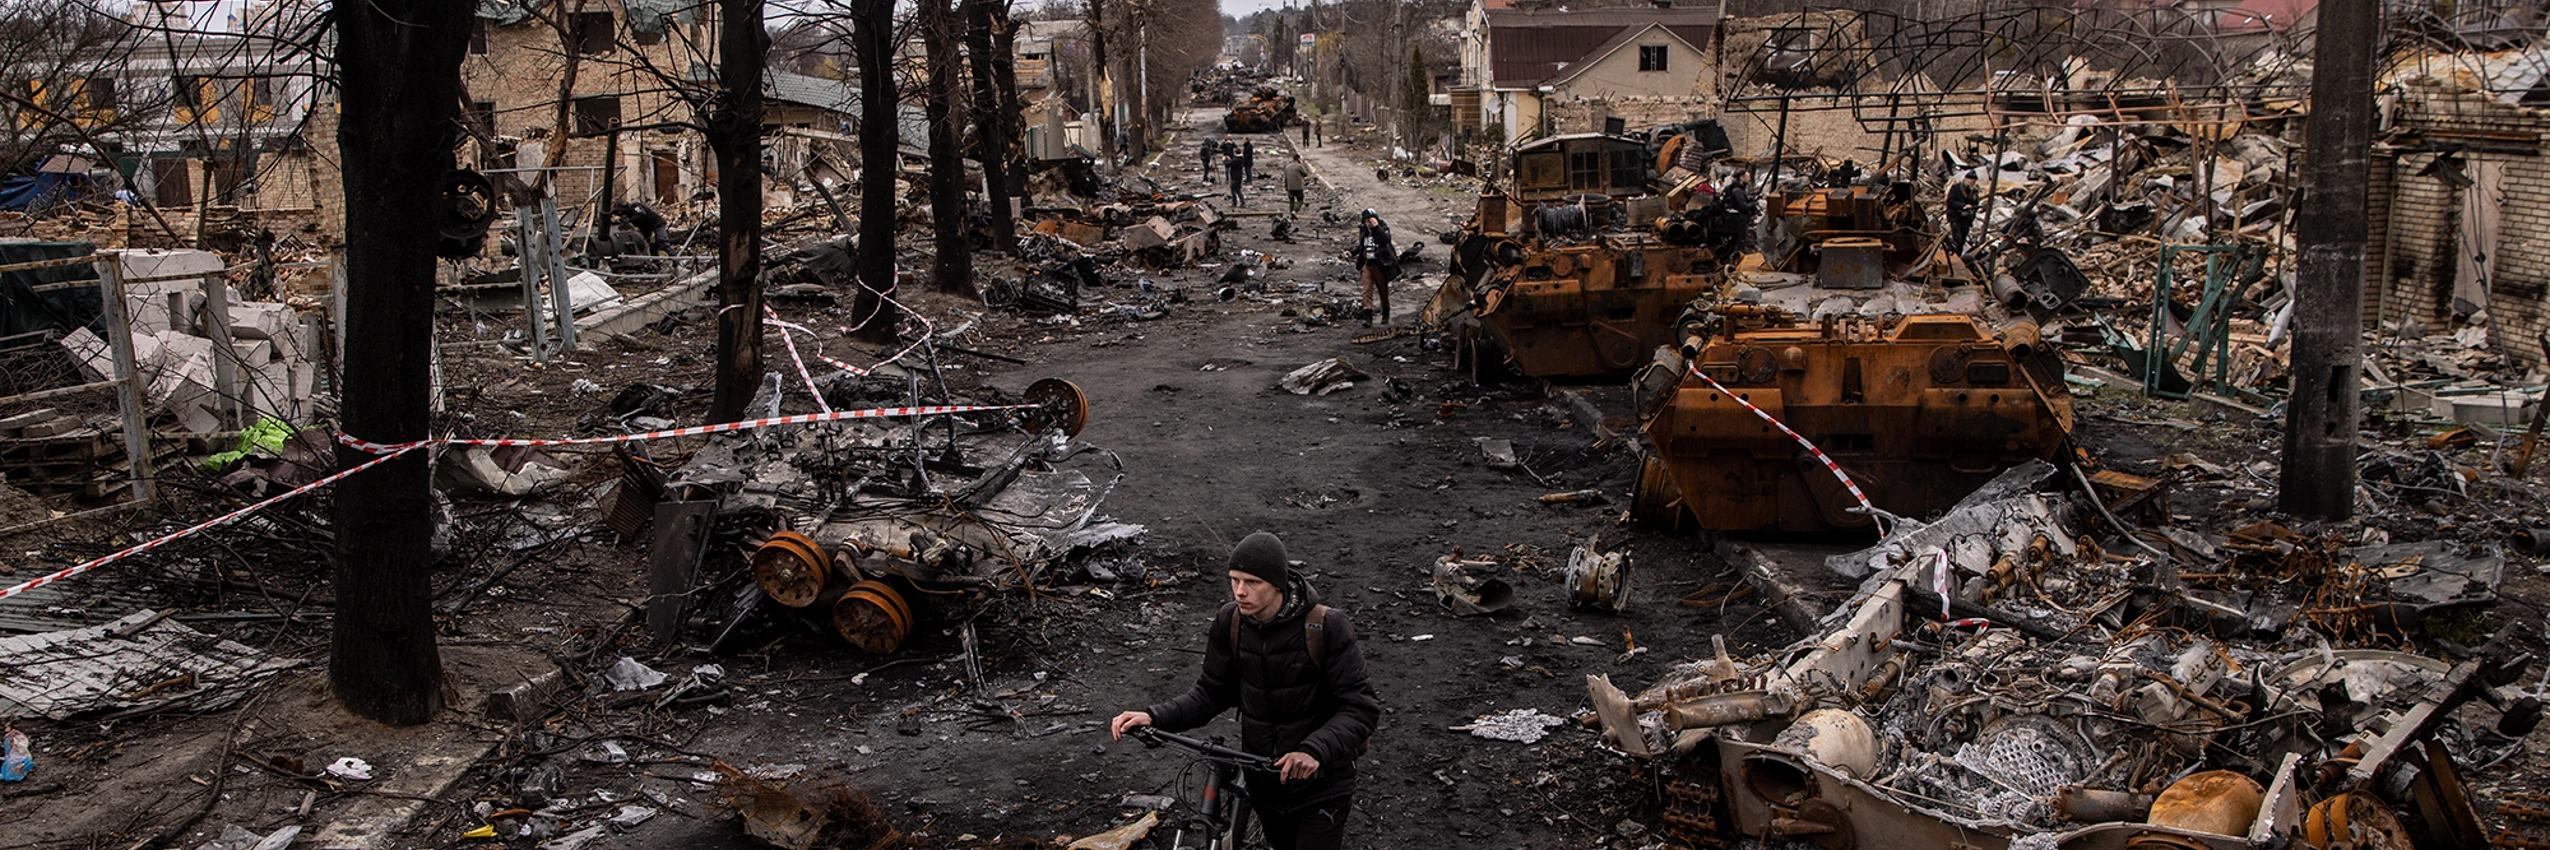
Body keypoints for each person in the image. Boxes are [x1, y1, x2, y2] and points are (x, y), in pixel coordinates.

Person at [1112, 532, 1379, 850]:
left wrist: (1313, 751)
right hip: (1264, 784)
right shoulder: (1230, 622)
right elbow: (1211, 694)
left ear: (1277, 584)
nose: (1240, 591)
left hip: (1322, 786)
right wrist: (1153, 716)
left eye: (1253, 582)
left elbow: (1360, 708)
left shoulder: (1327, 626)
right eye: (1235, 580)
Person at [1351, 209, 1398, 325]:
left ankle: (1385, 314)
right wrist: (1352, 252)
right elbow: (1362, 245)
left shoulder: (1383, 228)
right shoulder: (1364, 231)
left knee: (1382, 290)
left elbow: (1386, 239)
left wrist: (1376, 227)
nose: (1368, 223)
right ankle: (1368, 317)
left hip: (1380, 264)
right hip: (1367, 264)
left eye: (1370, 220)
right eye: (1366, 221)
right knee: (1367, 290)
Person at [1945, 174, 1981, 255]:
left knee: (1962, 240)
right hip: (1955, 217)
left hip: (1966, 219)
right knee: (1957, 238)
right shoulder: (1956, 188)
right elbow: (1950, 202)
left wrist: (1973, 208)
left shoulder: (1974, 191)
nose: (1972, 183)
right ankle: (1952, 254)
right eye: (1971, 181)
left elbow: (1975, 203)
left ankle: (1958, 256)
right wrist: (1963, 206)